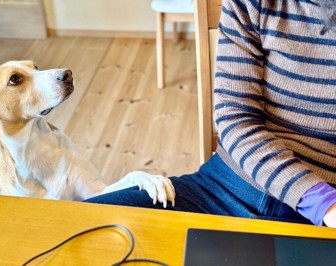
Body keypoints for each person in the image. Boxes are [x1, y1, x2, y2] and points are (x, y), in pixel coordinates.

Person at [85, 0, 336, 227]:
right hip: (224, 188)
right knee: (77, 227)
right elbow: (236, 118)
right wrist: (320, 201)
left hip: (319, 218)